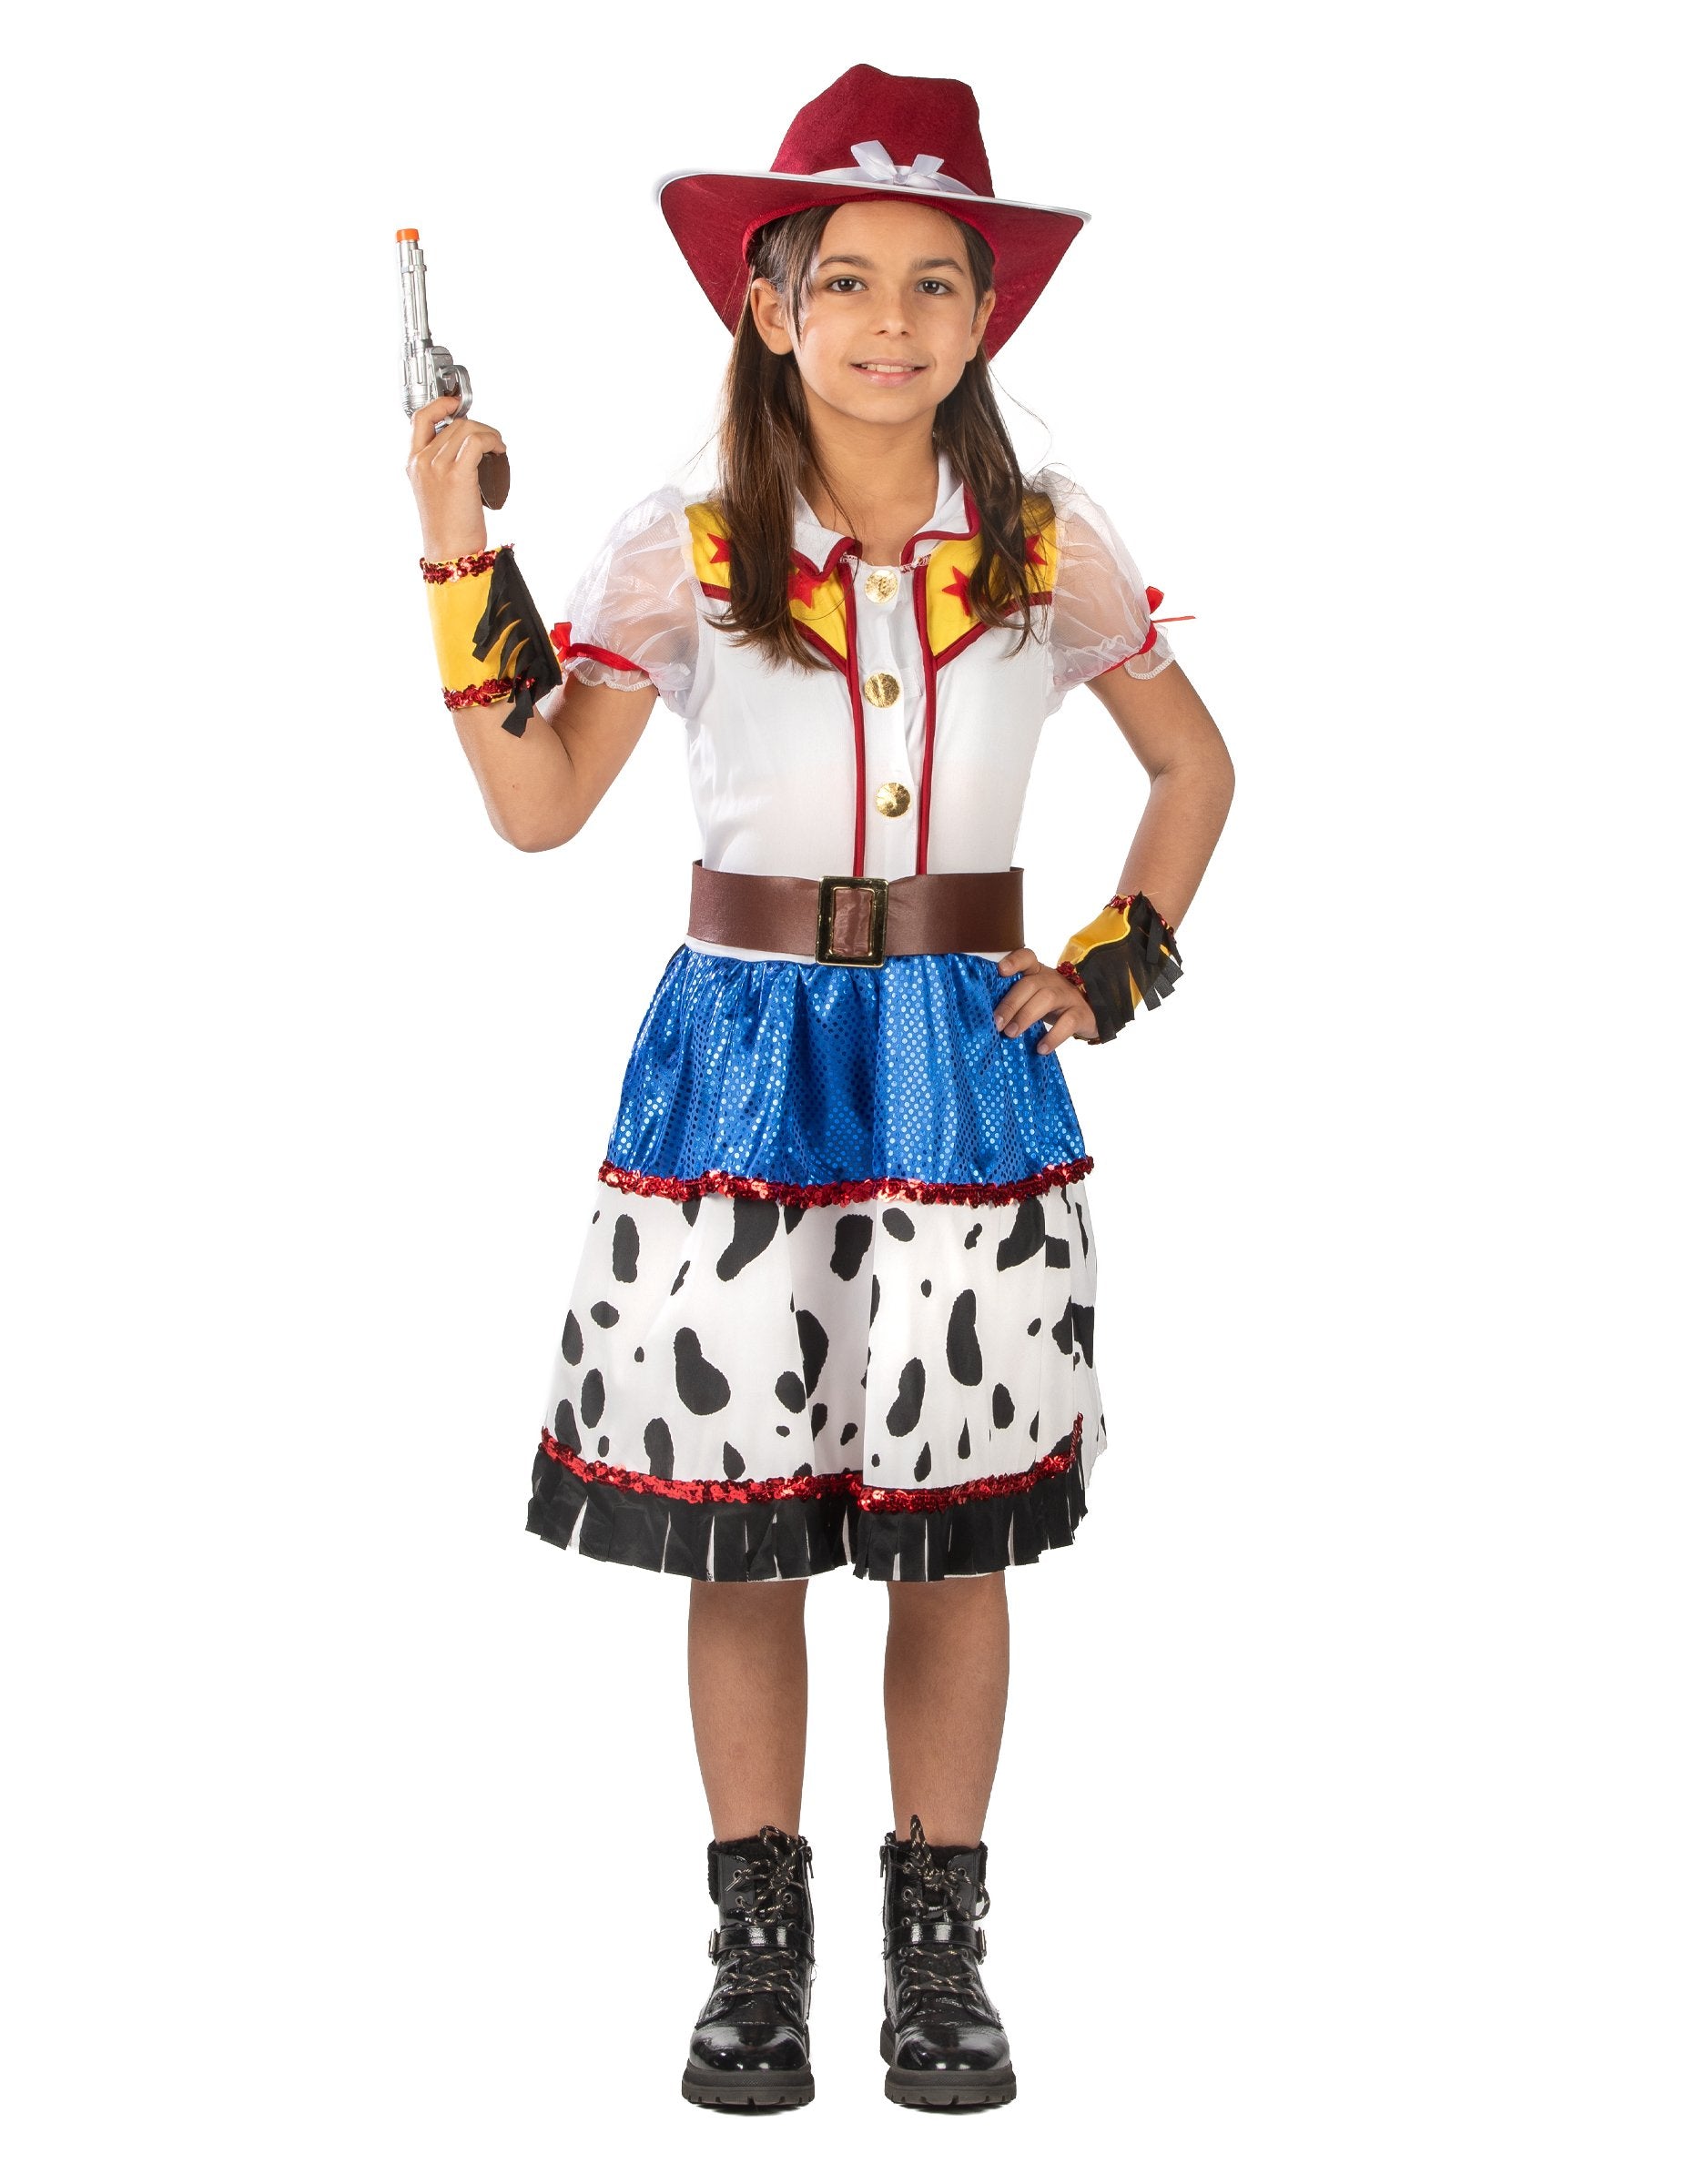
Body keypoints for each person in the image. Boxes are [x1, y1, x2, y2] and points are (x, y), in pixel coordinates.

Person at [407, 62, 1234, 2115]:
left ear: (984, 314)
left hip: (963, 1062)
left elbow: (1191, 766)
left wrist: (1112, 960)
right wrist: (453, 547)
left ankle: (938, 1955)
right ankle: (754, 1955)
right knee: (744, 1530)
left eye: (933, 281)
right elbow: (536, 802)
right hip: (744, 1060)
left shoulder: (1044, 546)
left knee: (952, 1536)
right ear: (767, 305)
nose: (889, 320)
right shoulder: (684, 549)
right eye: (844, 278)